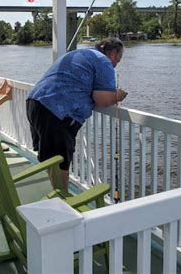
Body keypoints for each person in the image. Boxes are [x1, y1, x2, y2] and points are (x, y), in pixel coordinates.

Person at [26, 38, 128, 191]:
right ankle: (63, 202)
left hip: (35, 102)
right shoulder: (103, 61)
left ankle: (57, 193)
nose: (116, 64)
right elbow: (103, 99)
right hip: (57, 111)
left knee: (51, 158)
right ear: (113, 53)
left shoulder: (79, 53)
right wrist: (118, 95)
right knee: (61, 161)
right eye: (118, 60)